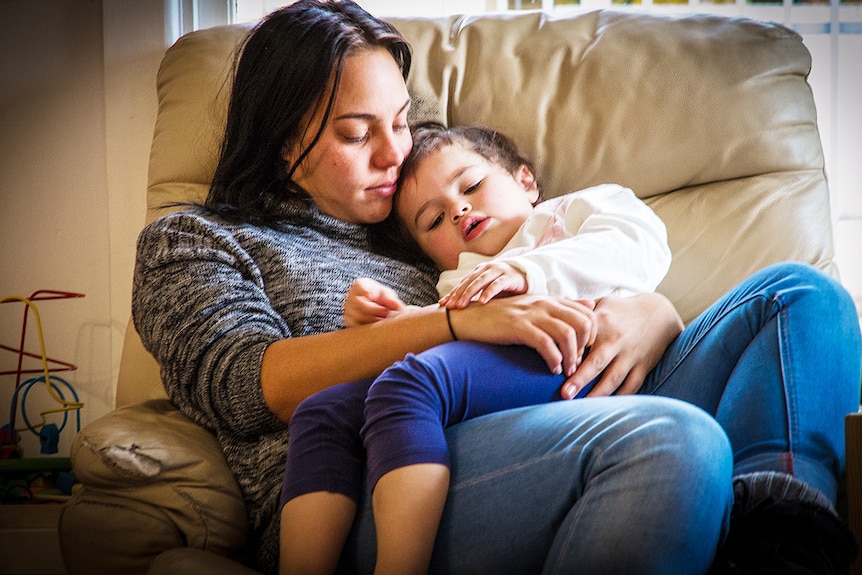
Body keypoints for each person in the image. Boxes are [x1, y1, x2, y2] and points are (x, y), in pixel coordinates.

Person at [129, 1, 860, 574]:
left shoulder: (417, 202)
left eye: (401, 120)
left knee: (797, 299)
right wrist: (449, 327)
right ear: (285, 139)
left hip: (563, 387)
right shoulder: (193, 239)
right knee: (673, 441)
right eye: (357, 135)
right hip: (379, 482)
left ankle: (780, 545)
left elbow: (555, 235)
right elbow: (249, 383)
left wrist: (651, 312)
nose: (395, 153)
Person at [280, 121, 674, 575]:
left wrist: (527, 275)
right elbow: (448, 341)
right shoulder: (458, 278)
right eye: (433, 220)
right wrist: (382, 318)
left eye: (471, 185)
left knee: (406, 388)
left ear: (525, 181)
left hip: (579, 355)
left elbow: (639, 245)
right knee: (322, 411)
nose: (458, 208)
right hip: (504, 390)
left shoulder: (578, 210)